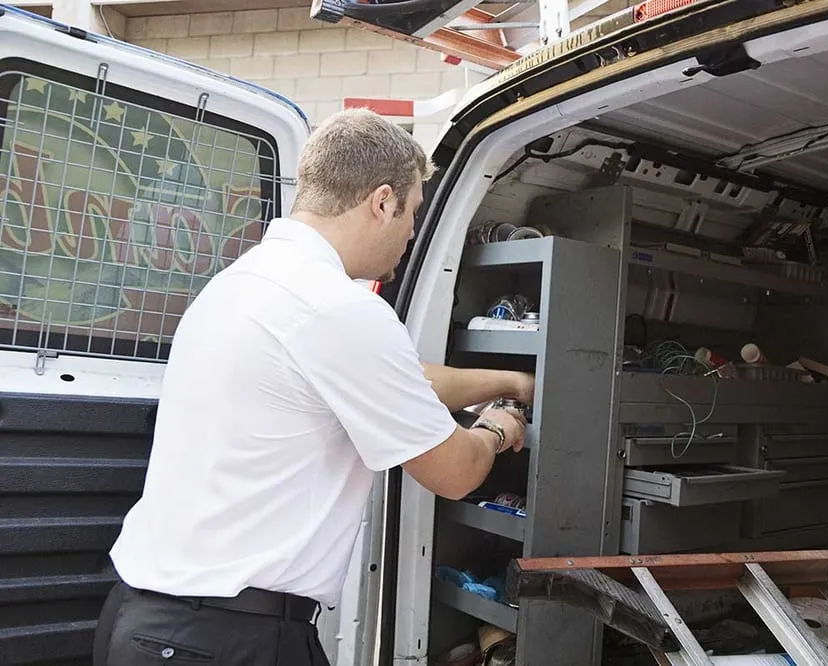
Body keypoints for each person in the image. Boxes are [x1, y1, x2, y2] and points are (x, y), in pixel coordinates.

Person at [92, 108, 531, 665]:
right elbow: (454, 471)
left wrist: (512, 379)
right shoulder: (339, 309)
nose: (412, 232)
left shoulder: (244, 283)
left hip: (144, 622)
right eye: (412, 211)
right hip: (225, 640)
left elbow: (398, 380)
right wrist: (495, 426)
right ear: (381, 201)